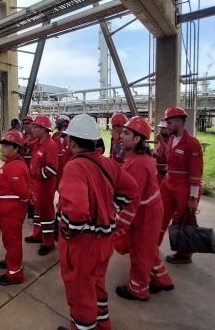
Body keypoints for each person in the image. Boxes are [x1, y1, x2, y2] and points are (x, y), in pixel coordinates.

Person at [57, 114, 139, 330]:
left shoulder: (74, 168)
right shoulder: (107, 163)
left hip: (83, 244)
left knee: (80, 292)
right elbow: (131, 189)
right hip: (105, 241)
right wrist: (116, 215)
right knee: (96, 285)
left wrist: (66, 231)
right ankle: (103, 324)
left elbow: (75, 213)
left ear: (72, 141)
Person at [115, 116, 174, 302]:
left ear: (137, 139)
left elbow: (132, 198)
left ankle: (138, 289)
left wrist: (120, 224)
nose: (121, 136)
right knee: (148, 249)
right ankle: (162, 279)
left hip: (145, 214)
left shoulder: (138, 163)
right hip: (149, 211)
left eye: (126, 133)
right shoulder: (136, 157)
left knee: (140, 252)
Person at [159, 107, 203, 264]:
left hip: (184, 187)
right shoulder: (171, 139)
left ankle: (184, 254)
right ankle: (153, 243)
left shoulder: (192, 143)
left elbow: (196, 174)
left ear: (179, 121)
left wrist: (193, 197)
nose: (167, 126)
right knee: (160, 214)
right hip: (169, 182)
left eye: (169, 123)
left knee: (182, 220)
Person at [0, 130, 31, 286]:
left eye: (7, 146)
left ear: (16, 148)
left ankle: (14, 274)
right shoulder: (11, 164)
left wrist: (15, 209)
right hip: (8, 213)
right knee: (9, 240)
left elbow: (23, 193)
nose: (2, 148)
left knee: (12, 241)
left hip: (11, 214)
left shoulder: (15, 167)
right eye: (2, 145)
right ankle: (11, 261)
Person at [25, 115, 58, 256]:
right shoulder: (38, 143)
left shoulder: (50, 146)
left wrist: (36, 172)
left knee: (46, 213)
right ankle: (37, 235)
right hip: (36, 185)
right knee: (37, 212)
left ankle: (49, 242)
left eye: (35, 127)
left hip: (45, 187)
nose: (32, 129)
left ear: (44, 129)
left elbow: (52, 169)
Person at [52, 115, 71, 184]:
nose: (63, 130)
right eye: (61, 128)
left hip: (67, 168)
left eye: (65, 127)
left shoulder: (72, 138)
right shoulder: (55, 136)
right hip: (56, 168)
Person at [154, 120, 169, 185]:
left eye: (163, 128)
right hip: (159, 173)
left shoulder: (172, 139)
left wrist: (161, 140)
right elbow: (161, 154)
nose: (160, 130)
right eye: (160, 128)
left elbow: (170, 152)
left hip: (166, 174)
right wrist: (155, 155)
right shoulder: (161, 140)